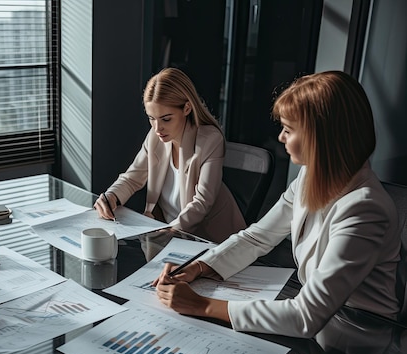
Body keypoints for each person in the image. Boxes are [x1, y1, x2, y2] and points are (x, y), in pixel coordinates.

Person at [154, 70, 401, 338]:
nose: (281, 138)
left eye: (288, 129)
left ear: (320, 138)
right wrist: (200, 267)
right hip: (323, 322)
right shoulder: (310, 176)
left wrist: (201, 304)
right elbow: (258, 237)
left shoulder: (365, 208)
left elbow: (306, 317)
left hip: (362, 335)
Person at [94, 67, 246, 243]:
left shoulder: (210, 141)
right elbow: (132, 177)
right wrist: (110, 197)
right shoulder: (155, 137)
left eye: (166, 119)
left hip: (209, 240)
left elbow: (202, 203)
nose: (157, 128)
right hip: (167, 237)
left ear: (187, 108)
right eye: (151, 118)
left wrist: (169, 231)